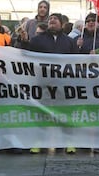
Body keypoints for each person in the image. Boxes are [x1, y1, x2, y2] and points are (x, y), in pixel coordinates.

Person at [20, 13, 78, 154]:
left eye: (55, 19)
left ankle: (68, 141)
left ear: (62, 23)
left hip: (63, 83)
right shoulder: (37, 40)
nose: (52, 20)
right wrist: (24, 42)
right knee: (42, 113)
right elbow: (25, 55)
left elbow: (76, 60)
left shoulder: (69, 42)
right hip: (43, 83)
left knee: (65, 113)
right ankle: (39, 140)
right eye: (50, 19)